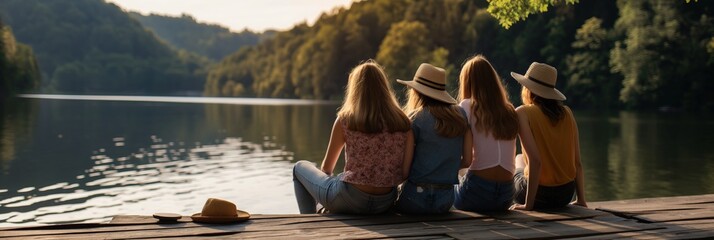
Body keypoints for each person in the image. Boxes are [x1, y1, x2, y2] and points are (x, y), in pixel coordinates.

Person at [292, 60, 414, 214]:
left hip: (350, 198)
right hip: (385, 202)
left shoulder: (346, 120)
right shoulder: (404, 124)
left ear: (355, 89)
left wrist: (326, 196)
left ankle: (311, 222)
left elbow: (327, 169)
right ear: (384, 87)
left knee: (299, 168)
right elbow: (404, 174)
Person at [393, 63, 472, 214]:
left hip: (414, 199)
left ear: (417, 92)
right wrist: (443, 169)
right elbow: (468, 161)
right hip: (445, 201)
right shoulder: (461, 115)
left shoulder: (415, 118)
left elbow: (404, 172)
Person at [509, 62, 587, 210]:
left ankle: (528, 200)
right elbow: (577, 162)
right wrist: (581, 199)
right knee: (520, 157)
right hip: (565, 194)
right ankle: (581, 199)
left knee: (516, 162)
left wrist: (528, 205)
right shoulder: (567, 113)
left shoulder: (522, 113)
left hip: (540, 196)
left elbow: (536, 161)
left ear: (528, 89)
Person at [454, 55, 519, 212]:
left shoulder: (467, 106)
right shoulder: (509, 110)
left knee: (449, 185)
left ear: (467, 82)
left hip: (477, 193)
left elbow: (463, 156)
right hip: (506, 196)